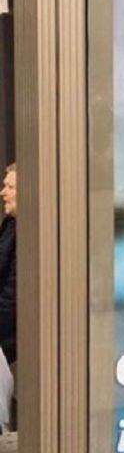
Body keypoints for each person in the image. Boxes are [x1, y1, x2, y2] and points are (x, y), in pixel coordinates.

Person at [0, 164, 16, 429]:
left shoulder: (31, 234)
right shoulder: (11, 225)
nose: (3, 192)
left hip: (11, 337)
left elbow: (13, 299)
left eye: (10, 186)